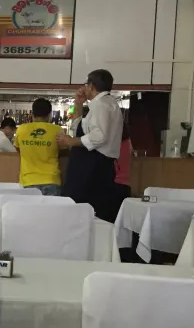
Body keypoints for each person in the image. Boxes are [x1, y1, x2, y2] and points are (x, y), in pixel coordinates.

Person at [57, 69, 123, 222]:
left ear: (91, 86)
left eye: (86, 84)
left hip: (93, 167)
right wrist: (78, 104)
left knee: (81, 210)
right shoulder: (105, 104)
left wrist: (71, 141)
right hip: (95, 165)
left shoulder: (102, 105)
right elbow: (79, 128)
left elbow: (99, 136)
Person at [14, 99, 63, 196]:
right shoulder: (57, 130)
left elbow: (18, 149)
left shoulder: (21, 129)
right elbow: (64, 151)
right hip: (51, 180)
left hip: (28, 181)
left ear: (32, 114)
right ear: (49, 115)